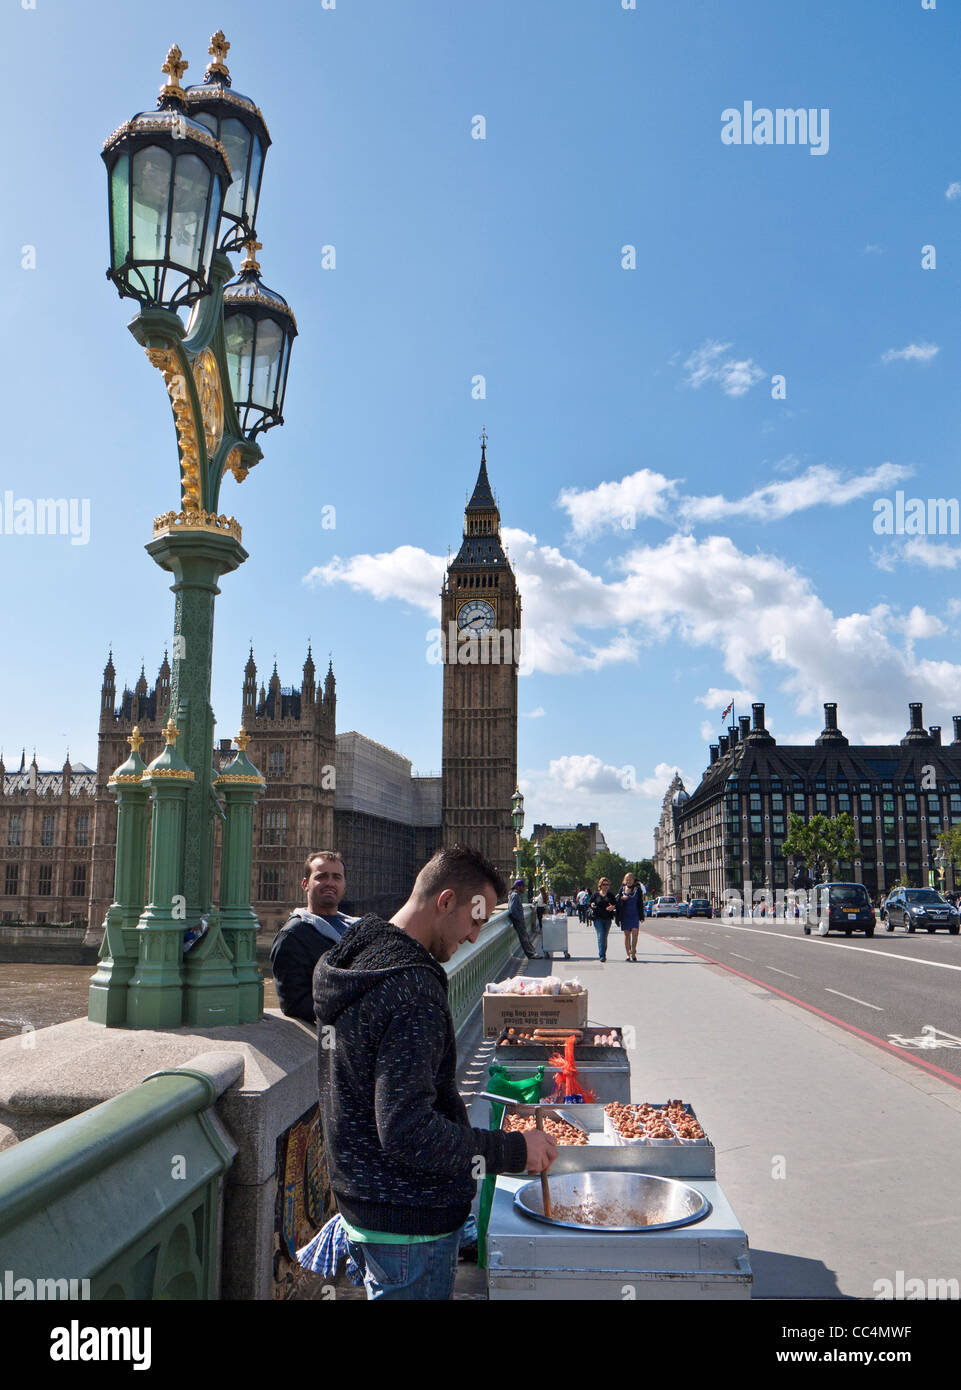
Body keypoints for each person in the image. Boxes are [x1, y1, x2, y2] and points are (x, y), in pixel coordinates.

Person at [313, 844, 557, 1300]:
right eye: (474, 921)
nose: (472, 938)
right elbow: (408, 1132)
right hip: (409, 1224)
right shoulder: (411, 989)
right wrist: (514, 1149)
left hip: (365, 1206)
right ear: (445, 901)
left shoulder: (359, 952)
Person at [270, 851, 358, 1025]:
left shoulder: (356, 928)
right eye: (321, 877)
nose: (330, 883)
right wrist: (352, 1010)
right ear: (305, 884)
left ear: (344, 886)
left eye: (336, 877)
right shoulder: (293, 935)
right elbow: (294, 1003)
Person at [508, 877, 540, 959]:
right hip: (518, 921)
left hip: (519, 921)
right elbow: (512, 909)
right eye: (523, 887)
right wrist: (518, 919)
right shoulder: (515, 895)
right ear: (518, 887)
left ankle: (532, 952)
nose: (524, 889)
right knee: (524, 939)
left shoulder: (515, 895)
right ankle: (531, 954)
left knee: (525, 937)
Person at [589, 877, 618, 961]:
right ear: (600, 885)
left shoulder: (610, 895)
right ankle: (602, 955)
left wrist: (613, 907)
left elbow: (616, 904)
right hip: (597, 918)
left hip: (607, 918)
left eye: (607, 885)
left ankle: (603, 953)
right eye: (604, 884)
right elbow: (589, 902)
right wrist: (592, 905)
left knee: (604, 937)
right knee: (601, 935)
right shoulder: (596, 895)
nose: (605, 886)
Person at [616, 871, 643, 962]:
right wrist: (622, 899)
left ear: (633, 880)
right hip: (625, 915)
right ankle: (628, 954)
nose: (629, 881)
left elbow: (640, 903)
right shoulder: (622, 889)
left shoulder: (637, 889)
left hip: (635, 914)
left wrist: (641, 916)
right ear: (625, 880)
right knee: (627, 935)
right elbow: (618, 901)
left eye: (630, 879)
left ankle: (633, 952)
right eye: (627, 879)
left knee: (635, 933)